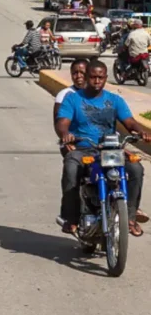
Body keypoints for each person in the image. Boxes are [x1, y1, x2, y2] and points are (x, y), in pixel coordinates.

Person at [56, 60, 151, 236]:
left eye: (100, 77)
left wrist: (142, 132)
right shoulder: (73, 99)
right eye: (93, 77)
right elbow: (63, 122)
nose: (97, 81)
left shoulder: (115, 100)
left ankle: (130, 217)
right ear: (87, 77)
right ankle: (72, 218)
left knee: (136, 168)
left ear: (106, 78)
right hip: (83, 149)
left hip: (110, 150)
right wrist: (65, 134)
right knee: (70, 168)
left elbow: (129, 122)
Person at [53, 59, 88, 126]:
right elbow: (58, 124)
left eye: (82, 72)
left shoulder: (97, 94)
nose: (78, 76)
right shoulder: (63, 95)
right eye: (75, 73)